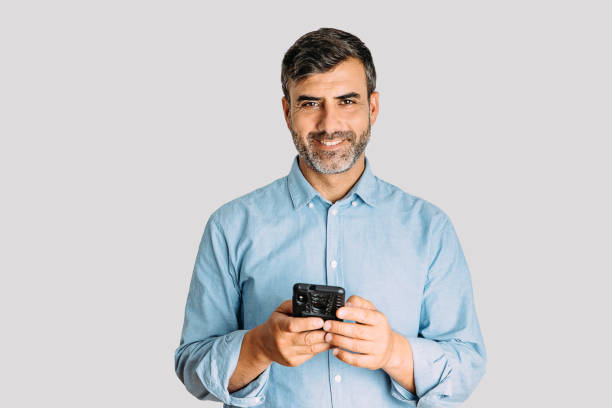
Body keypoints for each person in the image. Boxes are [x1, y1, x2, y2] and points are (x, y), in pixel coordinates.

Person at [174, 27, 486, 407]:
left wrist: (393, 352)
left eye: (346, 101)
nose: (329, 123)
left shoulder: (430, 228)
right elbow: (191, 365)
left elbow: (468, 364)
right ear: (288, 112)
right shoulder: (230, 226)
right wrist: (259, 347)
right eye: (310, 103)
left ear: (372, 107)